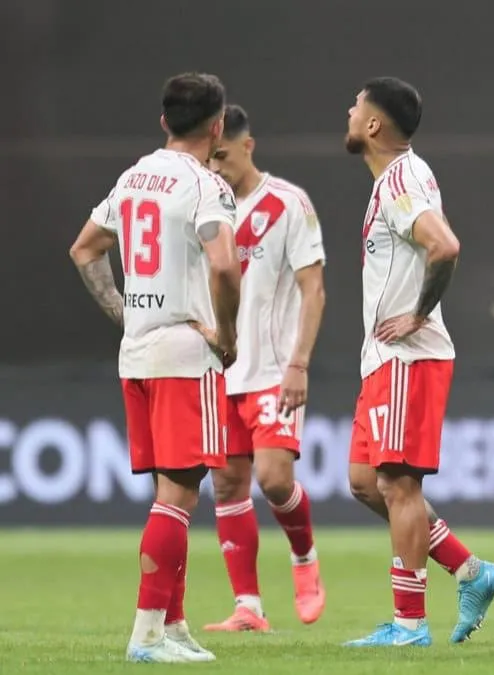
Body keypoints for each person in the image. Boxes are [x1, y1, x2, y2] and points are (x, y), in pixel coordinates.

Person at [68, 72, 240, 663]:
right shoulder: (205, 185)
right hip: (185, 356)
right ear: (218, 127)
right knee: (178, 495)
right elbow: (224, 265)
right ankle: (145, 635)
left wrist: (125, 314)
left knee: (170, 494)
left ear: (165, 121)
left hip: (138, 355)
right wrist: (227, 337)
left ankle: (173, 624)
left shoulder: (133, 177)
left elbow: (85, 248)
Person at [341, 77, 494, 648]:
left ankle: (409, 625)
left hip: (408, 357)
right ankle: (470, 571)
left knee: (397, 484)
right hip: (383, 358)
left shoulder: (400, 181)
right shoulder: (396, 178)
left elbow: (445, 245)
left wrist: (417, 314)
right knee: (366, 482)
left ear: (373, 124)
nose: (348, 112)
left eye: (356, 106)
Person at [200, 104, 327, 631]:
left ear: (247, 146)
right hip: (218, 370)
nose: (215, 167)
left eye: (222, 156)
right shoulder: (204, 207)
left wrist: (300, 363)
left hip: (273, 371)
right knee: (228, 486)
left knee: (274, 480)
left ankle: (303, 555)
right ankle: (248, 607)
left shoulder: (287, 203)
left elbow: (313, 289)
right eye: (209, 158)